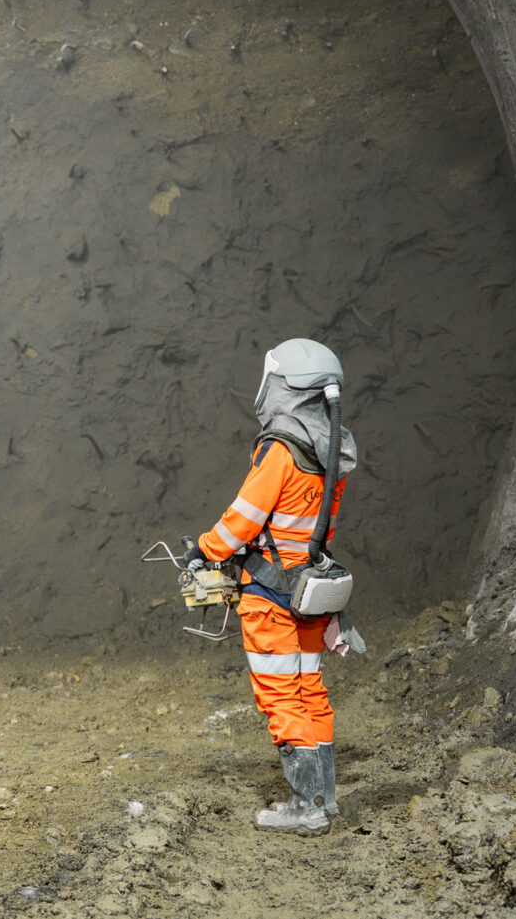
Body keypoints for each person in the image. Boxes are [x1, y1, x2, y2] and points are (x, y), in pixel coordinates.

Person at [195, 338, 360, 836]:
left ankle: (304, 808)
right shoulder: (331, 451)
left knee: (281, 695)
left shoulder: (280, 449)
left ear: (281, 385)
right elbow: (320, 528)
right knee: (311, 689)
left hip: (269, 594)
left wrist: (205, 549)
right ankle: (324, 800)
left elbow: (245, 517)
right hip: (311, 591)